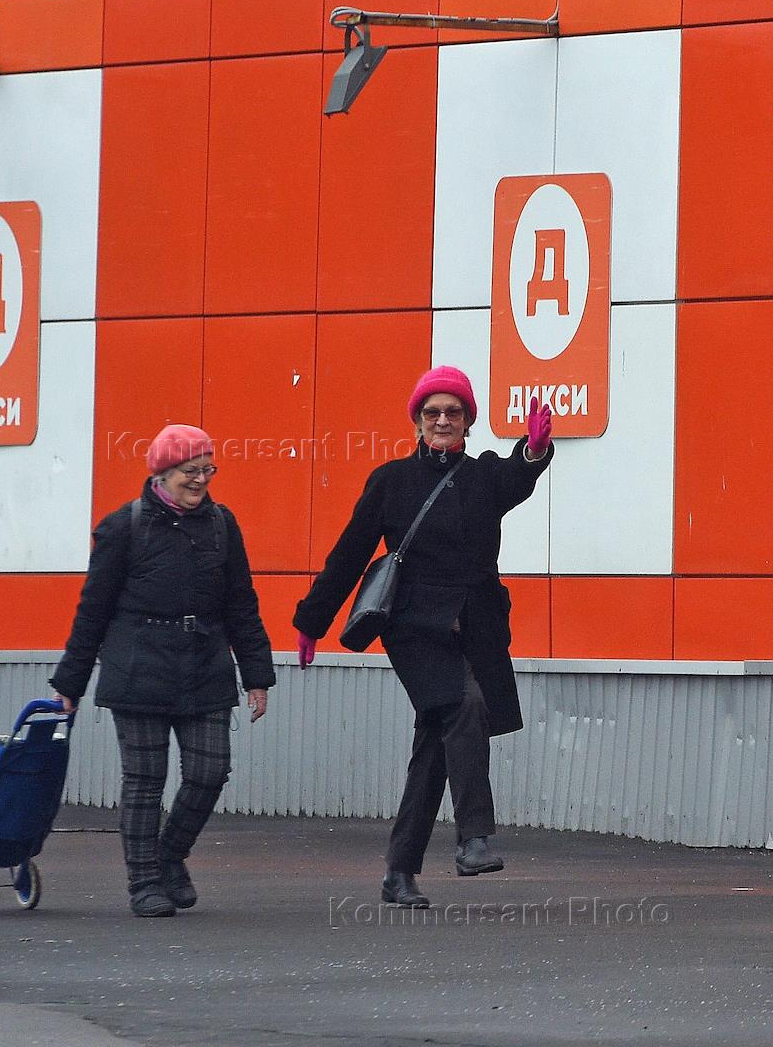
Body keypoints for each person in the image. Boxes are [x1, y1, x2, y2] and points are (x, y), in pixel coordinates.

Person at [293, 367, 553, 907]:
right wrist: (311, 620)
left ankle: (399, 872)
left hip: (475, 626)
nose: (442, 420)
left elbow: (516, 478)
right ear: (417, 421)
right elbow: (349, 554)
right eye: (432, 412)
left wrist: (533, 451)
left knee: (436, 742)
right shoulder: (390, 481)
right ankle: (474, 838)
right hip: (414, 629)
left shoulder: (483, 476)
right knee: (464, 705)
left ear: (468, 422)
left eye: (453, 412)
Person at [50, 424, 275, 918]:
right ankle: (145, 882)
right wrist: (71, 682)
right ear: (162, 473)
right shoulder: (123, 527)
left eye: (207, 469)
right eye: (189, 471)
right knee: (145, 781)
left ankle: (169, 854)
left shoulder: (222, 524)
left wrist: (257, 675)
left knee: (210, 772)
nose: (200, 480)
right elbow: (92, 610)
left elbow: (241, 603)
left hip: (205, 665)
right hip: (138, 668)